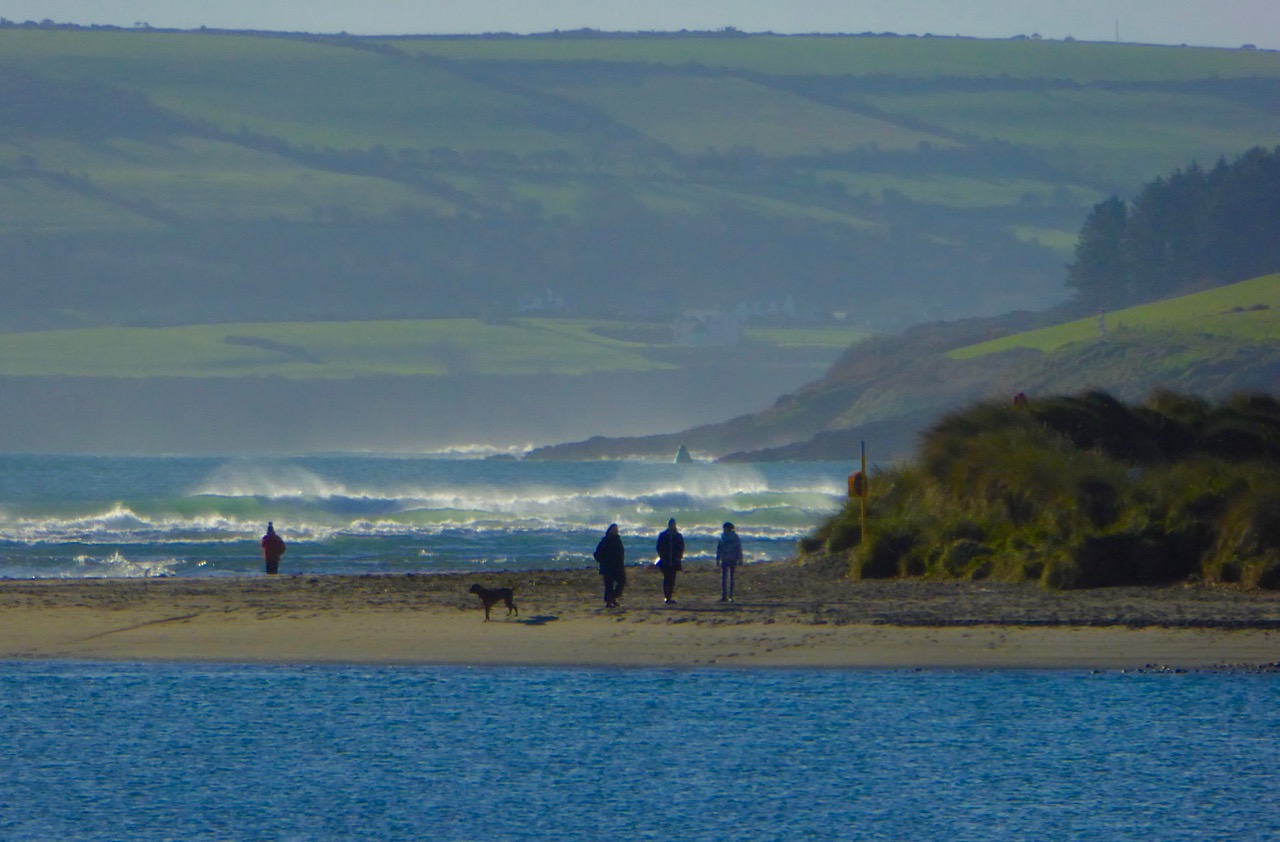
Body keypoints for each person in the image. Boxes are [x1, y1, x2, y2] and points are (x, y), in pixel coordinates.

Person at [593, 523, 626, 608]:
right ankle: (609, 602)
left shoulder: (618, 540)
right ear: (610, 530)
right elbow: (597, 554)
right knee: (609, 585)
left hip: (618, 566)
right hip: (607, 567)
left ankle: (612, 597)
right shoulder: (605, 540)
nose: (616, 531)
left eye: (616, 529)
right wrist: (603, 562)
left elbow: (621, 553)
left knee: (622, 582)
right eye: (614, 529)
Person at [655, 518, 685, 604]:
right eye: (671, 524)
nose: (672, 526)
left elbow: (681, 547)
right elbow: (659, 547)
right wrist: (662, 556)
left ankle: (669, 596)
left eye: (673, 524)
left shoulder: (678, 535)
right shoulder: (663, 535)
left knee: (672, 579)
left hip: (674, 561)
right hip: (665, 561)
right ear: (669, 525)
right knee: (666, 578)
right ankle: (666, 596)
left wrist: (679, 556)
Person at [716, 522, 743, 602]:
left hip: (732, 559)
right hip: (724, 559)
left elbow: (738, 548)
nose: (724, 529)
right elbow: (719, 548)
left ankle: (731, 596)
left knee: (731, 578)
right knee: (724, 578)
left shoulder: (735, 537)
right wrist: (718, 559)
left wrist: (740, 559)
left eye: (725, 528)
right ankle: (724, 596)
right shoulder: (722, 537)